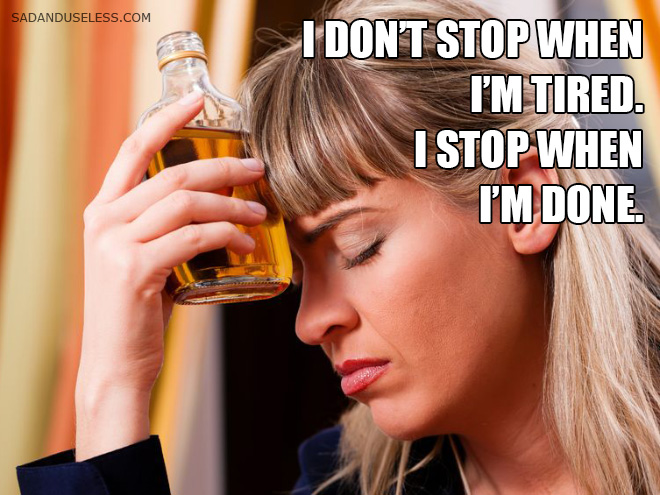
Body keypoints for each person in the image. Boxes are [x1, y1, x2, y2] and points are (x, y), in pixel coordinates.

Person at [16, 0, 660, 494]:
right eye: (299, 274)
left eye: (359, 247)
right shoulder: (338, 482)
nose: (310, 323)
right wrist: (112, 385)